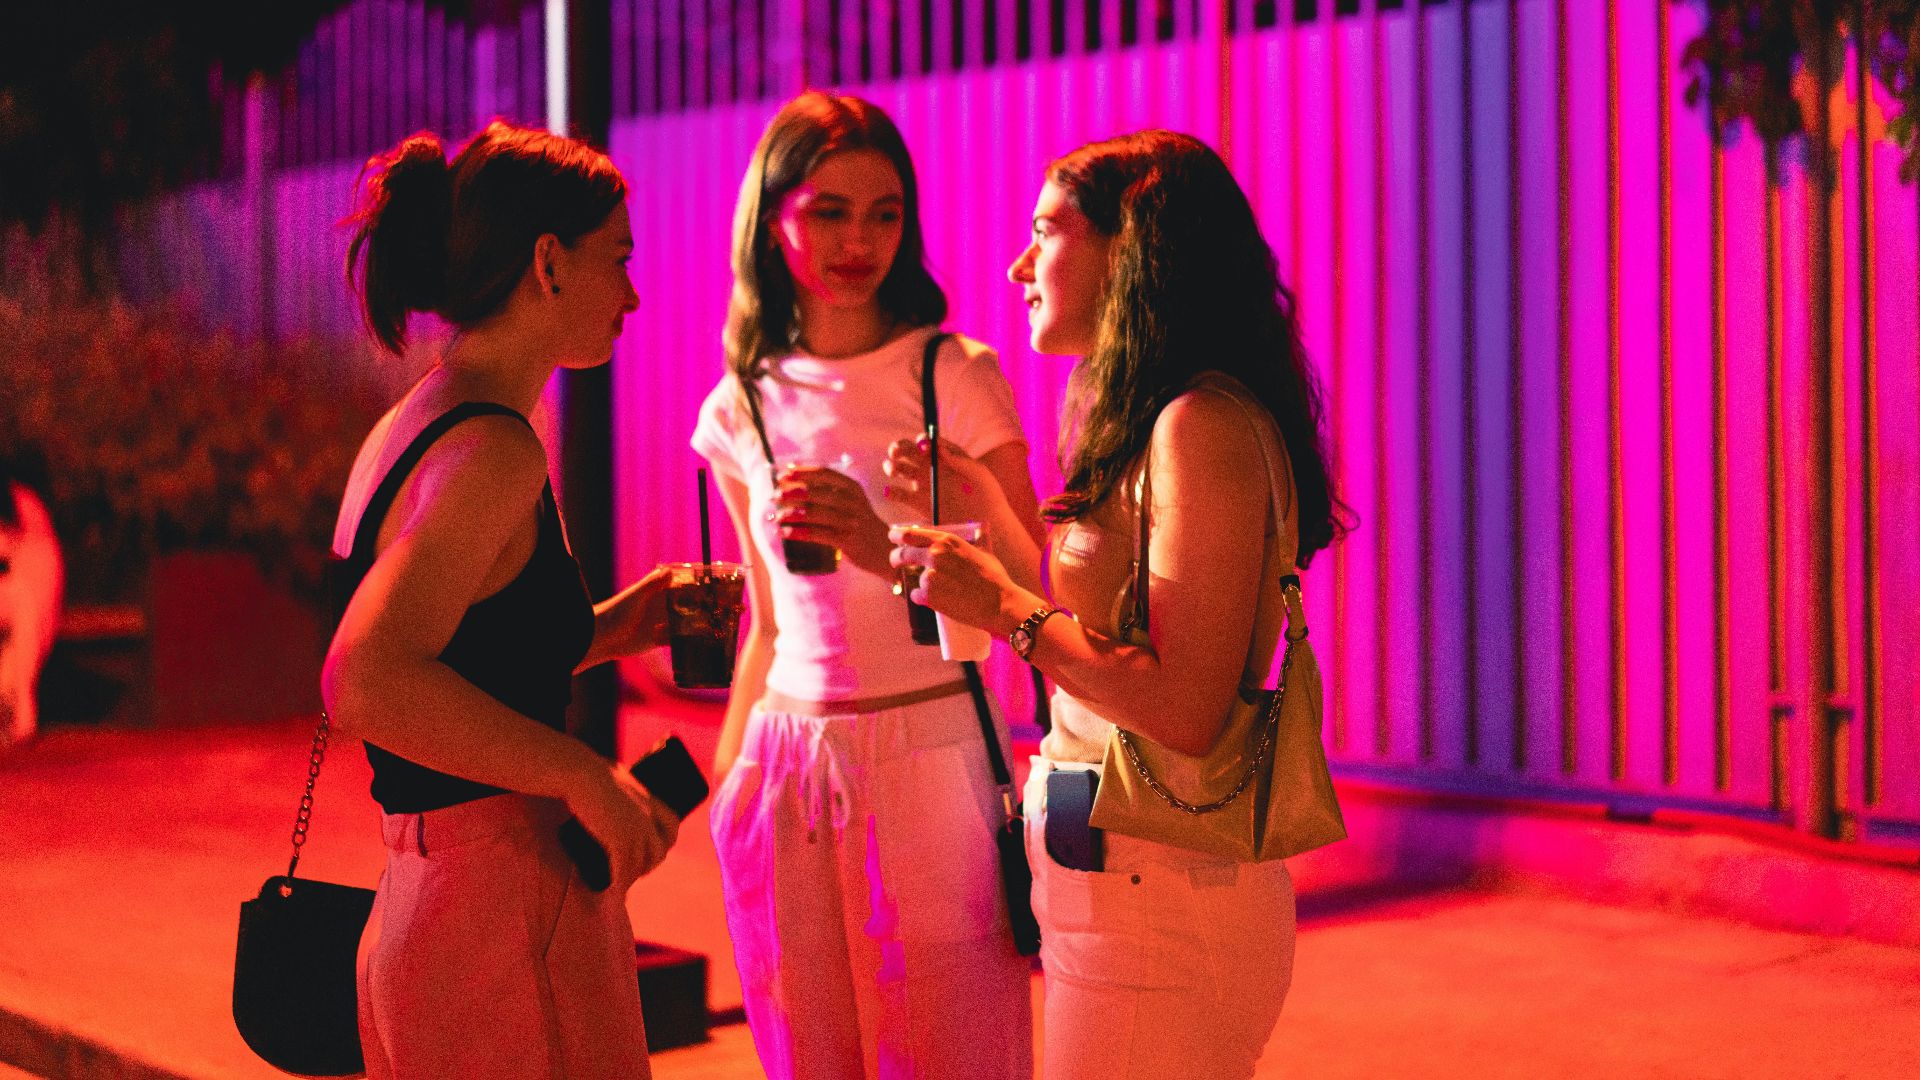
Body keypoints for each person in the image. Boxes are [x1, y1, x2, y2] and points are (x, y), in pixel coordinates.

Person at [887, 130, 1346, 1080]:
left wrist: (1005, 604)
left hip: (1165, 897)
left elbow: (1182, 705)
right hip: (1116, 886)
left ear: (1127, 249)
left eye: (1046, 230)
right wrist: (982, 508)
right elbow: (1099, 638)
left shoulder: (1201, 425)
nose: (1019, 264)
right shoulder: (1137, 415)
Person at [691, 90, 1043, 1080]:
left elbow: (1034, 584)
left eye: (885, 213)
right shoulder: (740, 405)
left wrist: (882, 542)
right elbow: (766, 621)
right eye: (830, 211)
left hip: (931, 747)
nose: (862, 241)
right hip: (785, 757)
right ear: (774, 218)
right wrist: (731, 791)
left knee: (955, 1049)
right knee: (807, 1051)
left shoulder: (952, 373)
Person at [322, 120, 681, 1080]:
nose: (634, 295)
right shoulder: (493, 450)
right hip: (501, 911)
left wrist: (616, 627)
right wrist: (581, 773)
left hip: (424, 897)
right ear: (550, 265)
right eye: (619, 259)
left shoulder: (416, 422)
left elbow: (461, 659)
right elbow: (365, 677)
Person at [0, 450, 63, 754]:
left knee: (23, 602)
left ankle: (18, 713)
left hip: (24, 602)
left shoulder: (22, 504)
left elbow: (42, 580)